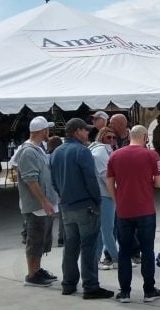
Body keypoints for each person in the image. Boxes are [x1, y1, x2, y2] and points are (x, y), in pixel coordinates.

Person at [50, 118, 113, 300]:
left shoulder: (57, 152)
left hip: (67, 206)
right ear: (77, 131)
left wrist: (63, 195)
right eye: (85, 130)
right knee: (89, 246)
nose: (87, 133)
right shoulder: (82, 151)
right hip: (85, 204)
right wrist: (96, 200)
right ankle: (90, 285)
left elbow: (53, 181)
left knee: (71, 245)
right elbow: (91, 180)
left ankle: (68, 284)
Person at [106, 124, 160, 303]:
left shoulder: (115, 155)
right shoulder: (152, 155)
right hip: (145, 209)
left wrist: (117, 200)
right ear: (145, 136)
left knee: (124, 251)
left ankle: (124, 292)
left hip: (124, 210)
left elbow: (109, 182)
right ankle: (149, 290)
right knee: (147, 250)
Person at [16, 116, 59, 288]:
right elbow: (31, 180)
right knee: (35, 239)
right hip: (36, 206)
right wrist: (43, 201)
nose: (49, 132)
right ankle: (32, 274)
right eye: (47, 129)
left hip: (43, 204)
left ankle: (37, 269)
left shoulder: (37, 149)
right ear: (42, 131)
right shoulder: (28, 152)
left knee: (41, 239)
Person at [89, 127, 121, 270]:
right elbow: (105, 176)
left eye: (114, 137)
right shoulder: (101, 152)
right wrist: (115, 195)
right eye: (109, 137)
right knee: (108, 229)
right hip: (105, 195)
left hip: (104, 194)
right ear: (102, 137)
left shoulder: (102, 150)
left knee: (103, 230)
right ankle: (117, 259)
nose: (112, 140)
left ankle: (95, 260)